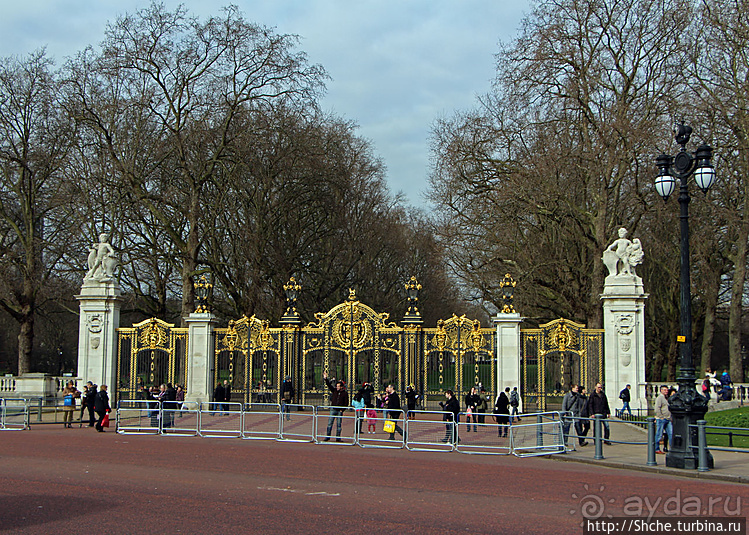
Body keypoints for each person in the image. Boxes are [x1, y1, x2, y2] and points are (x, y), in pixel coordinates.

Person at [323, 371, 348, 442]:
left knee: (339, 425)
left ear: (341, 387)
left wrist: (342, 410)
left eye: (338, 386)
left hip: (339, 410)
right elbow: (328, 385)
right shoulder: (334, 391)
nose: (337, 387)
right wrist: (325, 378)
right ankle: (327, 436)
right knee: (329, 423)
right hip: (333, 409)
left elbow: (346, 403)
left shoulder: (345, 393)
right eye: (336, 386)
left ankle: (338, 437)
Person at [654, 385, 673, 454]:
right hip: (662, 419)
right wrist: (660, 416)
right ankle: (656, 448)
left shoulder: (666, 398)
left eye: (667, 390)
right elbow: (657, 408)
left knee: (671, 434)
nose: (666, 391)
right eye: (664, 390)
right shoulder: (660, 398)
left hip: (668, 419)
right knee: (659, 434)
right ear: (661, 390)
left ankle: (672, 448)